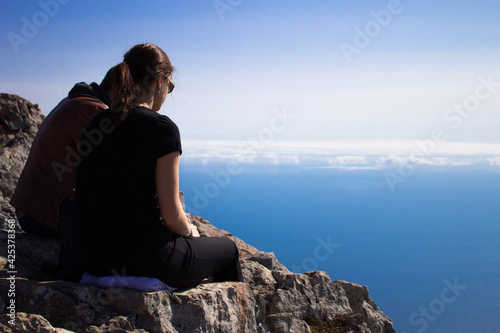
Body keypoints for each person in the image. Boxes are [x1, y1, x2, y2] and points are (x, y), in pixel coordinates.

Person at [75, 43, 243, 288]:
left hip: (96, 261)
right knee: (229, 250)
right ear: (159, 81)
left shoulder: (94, 125)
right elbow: (171, 216)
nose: (168, 92)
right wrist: (190, 231)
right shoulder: (162, 128)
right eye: (170, 85)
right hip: (151, 260)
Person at [10, 71, 115, 237]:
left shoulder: (75, 101)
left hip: (30, 209)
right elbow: (112, 171)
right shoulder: (93, 110)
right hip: (43, 216)